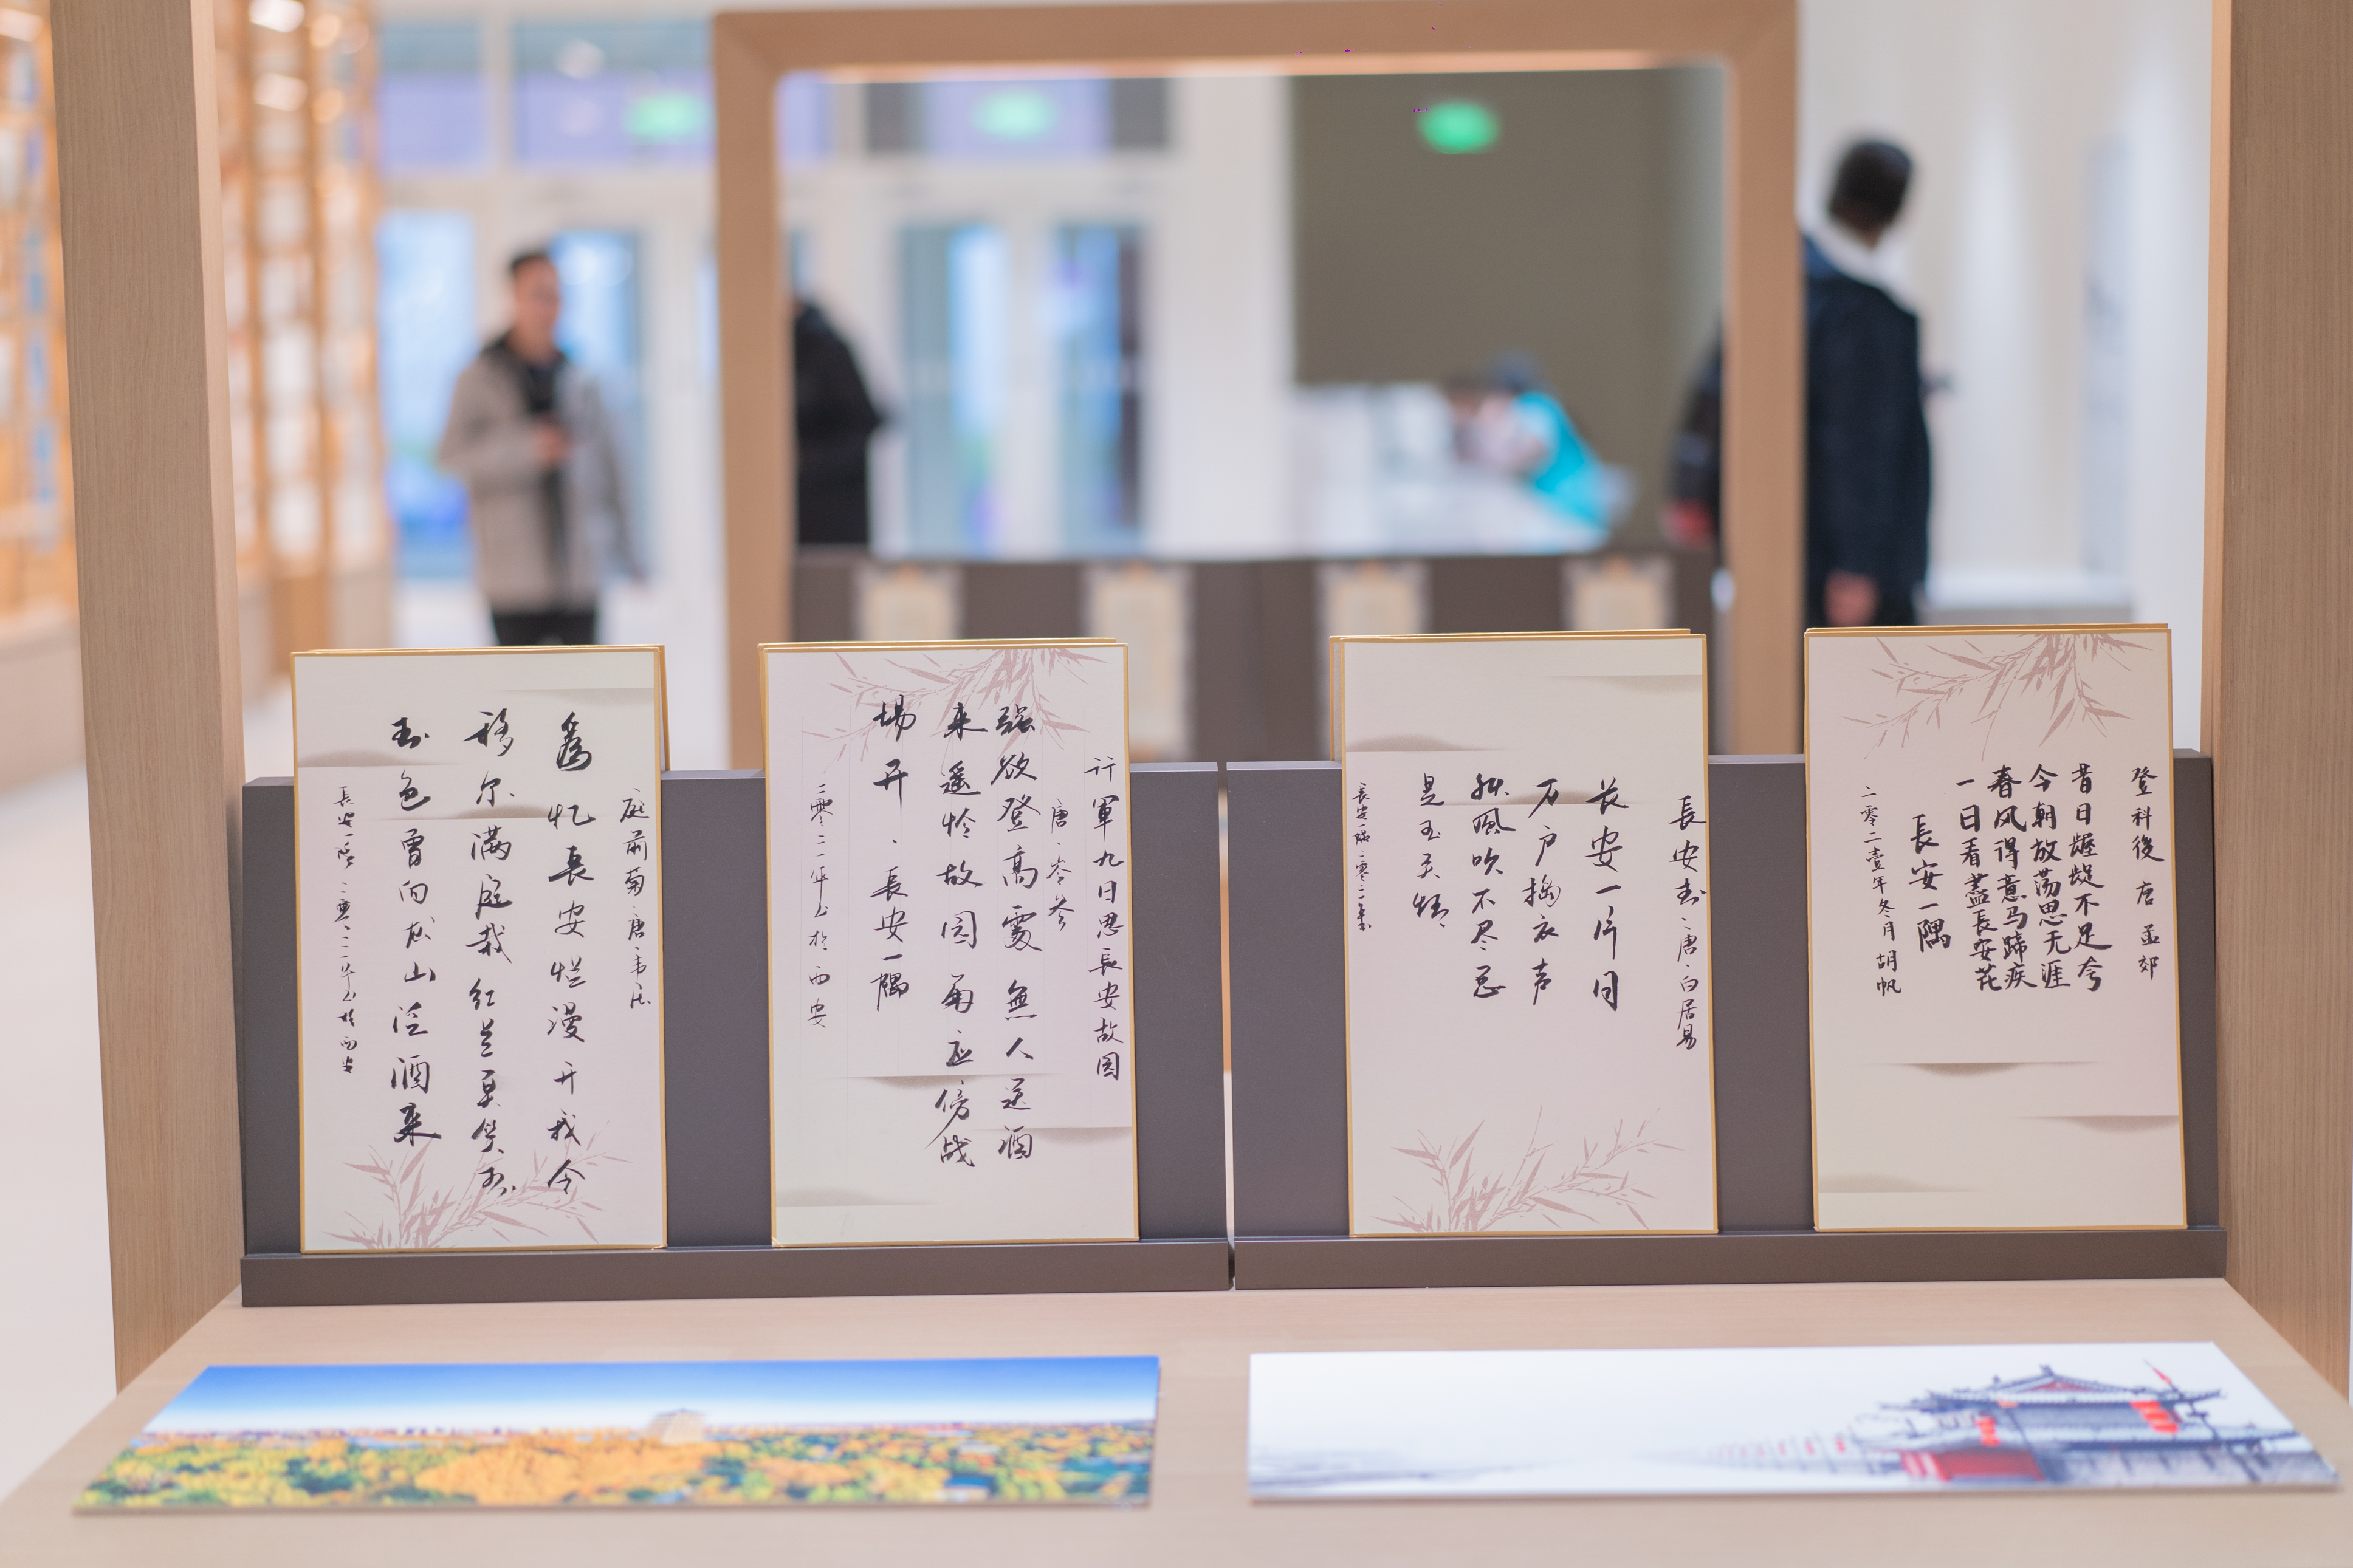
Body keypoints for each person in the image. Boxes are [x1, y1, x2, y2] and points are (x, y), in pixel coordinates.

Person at [1663, 139, 1932, 626]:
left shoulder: (1772, 282)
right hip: (1837, 570)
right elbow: (1856, 444)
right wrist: (1857, 562)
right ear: (1896, 213)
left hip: (1773, 548)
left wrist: (1690, 495)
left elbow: (1712, 397)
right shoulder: (1861, 313)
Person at [437, 248, 639, 646]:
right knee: (518, 683)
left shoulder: (583, 378)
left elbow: (615, 467)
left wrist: (630, 550)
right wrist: (526, 450)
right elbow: (452, 456)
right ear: (513, 296)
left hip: (580, 573)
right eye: (538, 294)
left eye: (556, 295)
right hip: (513, 580)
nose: (549, 306)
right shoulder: (478, 377)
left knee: (586, 681)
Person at [1447, 351, 1622, 535]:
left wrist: (1483, 456)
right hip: (1559, 510)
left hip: (1569, 511)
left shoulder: (1537, 406)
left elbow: (1530, 452)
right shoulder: (1537, 406)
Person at [792, 297, 883, 546]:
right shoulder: (775, 351)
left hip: (833, 511)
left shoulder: (827, 350)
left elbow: (865, 424)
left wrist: (807, 460)